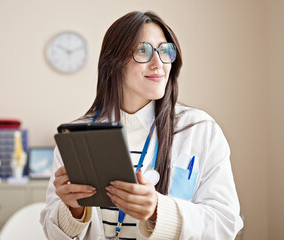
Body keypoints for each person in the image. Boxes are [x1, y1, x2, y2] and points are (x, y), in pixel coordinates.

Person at [40, 11, 243, 240]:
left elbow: (226, 225)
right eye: (143, 51)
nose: (158, 64)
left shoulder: (200, 129)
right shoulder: (79, 136)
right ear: (114, 61)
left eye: (165, 51)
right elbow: (52, 230)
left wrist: (159, 209)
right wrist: (73, 209)